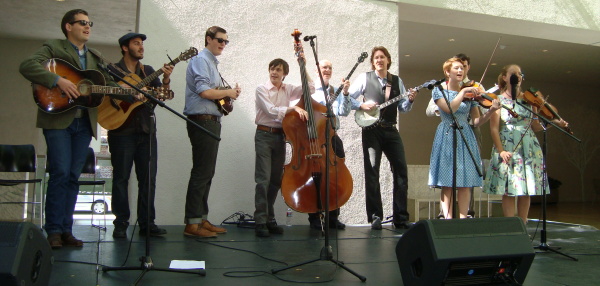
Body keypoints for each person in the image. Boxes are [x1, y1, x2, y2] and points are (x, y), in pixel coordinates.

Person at [19, 9, 122, 248]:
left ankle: (66, 230)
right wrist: (58, 80)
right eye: (82, 23)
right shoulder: (54, 47)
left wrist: (130, 92)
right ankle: (53, 229)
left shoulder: (95, 56)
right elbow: (27, 66)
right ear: (68, 26)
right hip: (58, 121)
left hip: (84, 122)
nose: (88, 27)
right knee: (60, 173)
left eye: (90, 23)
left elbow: (108, 83)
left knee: (74, 177)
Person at [107, 32, 174, 238]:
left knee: (148, 179)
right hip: (121, 131)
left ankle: (147, 223)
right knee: (121, 179)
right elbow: (107, 94)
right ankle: (121, 224)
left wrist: (166, 80)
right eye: (136, 44)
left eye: (142, 44)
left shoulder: (149, 72)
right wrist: (129, 94)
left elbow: (160, 98)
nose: (141, 47)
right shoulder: (113, 71)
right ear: (125, 48)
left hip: (146, 131)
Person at [483, 64, 568, 224]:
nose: (518, 76)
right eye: (513, 73)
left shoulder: (529, 100)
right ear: (504, 77)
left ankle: (523, 224)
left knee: (525, 189)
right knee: (508, 189)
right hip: (507, 144)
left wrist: (555, 122)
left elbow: (535, 125)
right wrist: (501, 151)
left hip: (528, 145)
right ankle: (510, 227)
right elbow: (494, 129)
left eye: (520, 74)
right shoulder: (498, 100)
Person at [346, 46, 417, 229]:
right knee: (372, 172)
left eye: (382, 57)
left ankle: (400, 217)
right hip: (371, 131)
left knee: (401, 171)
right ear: (373, 62)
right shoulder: (364, 78)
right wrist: (361, 105)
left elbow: (403, 108)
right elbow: (347, 99)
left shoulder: (396, 81)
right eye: (376, 58)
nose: (379, 60)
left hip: (391, 130)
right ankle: (375, 216)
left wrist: (410, 99)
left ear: (388, 60)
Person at [183, 26, 241, 238]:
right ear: (208, 39)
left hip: (211, 121)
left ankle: (200, 218)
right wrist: (229, 92)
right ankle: (191, 224)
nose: (223, 44)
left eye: (226, 41)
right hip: (202, 121)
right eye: (220, 40)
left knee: (207, 172)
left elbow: (214, 94)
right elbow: (204, 91)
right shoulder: (201, 60)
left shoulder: (211, 63)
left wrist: (228, 95)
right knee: (201, 172)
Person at [428, 57, 499, 219]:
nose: (460, 71)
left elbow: (476, 121)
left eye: (462, 68)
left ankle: (463, 218)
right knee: (447, 183)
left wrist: (490, 111)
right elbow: (449, 109)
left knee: (465, 183)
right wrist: (461, 93)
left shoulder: (470, 92)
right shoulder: (439, 90)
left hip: (465, 134)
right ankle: (447, 219)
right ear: (447, 72)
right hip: (447, 133)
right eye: (456, 68)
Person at [253, 58, 313, 237]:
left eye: (279, 70)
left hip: (280, 136)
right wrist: (293, 109)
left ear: (284, 74)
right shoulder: (261, 89)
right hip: (263, 135)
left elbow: (310, 88)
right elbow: (271, 110)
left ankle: (269, 218)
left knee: (275, 180)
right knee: (262, 180)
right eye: (272, 69)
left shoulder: (288, 89)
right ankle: (260, 221)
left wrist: (304, 65)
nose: (274, 72)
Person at [306, 59, 351, 230]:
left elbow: (343, 112)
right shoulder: (310, 90)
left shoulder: (335, 90)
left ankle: (333, 216)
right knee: (315, 177)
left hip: (333, 137)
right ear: (317, 70)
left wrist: (345, 93)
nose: (327, 70)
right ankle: (315, 217)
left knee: (336, 176)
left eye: (330, 68)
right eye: (324, 67)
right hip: (315, 139)